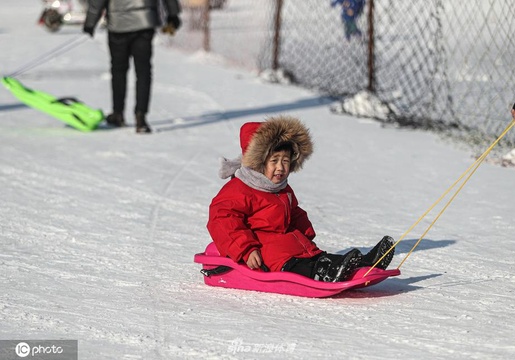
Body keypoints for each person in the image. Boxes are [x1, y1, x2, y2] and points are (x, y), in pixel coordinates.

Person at [206, 116, 395, 282]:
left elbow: (293, 211)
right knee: (296, 262)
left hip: (290, 243)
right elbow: (222, 220)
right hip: (264, 249)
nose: (280, 167)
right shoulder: (240, 188)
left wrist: (305, 232)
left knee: (315, 256)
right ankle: (325, 272)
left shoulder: (281, 188)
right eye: (274, 161)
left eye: (285, 161)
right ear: (258, 163)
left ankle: (363, 263)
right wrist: (246, 249)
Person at [83, 0, 182, 133]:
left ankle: (118, 113)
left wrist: (90, 23)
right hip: (145, 22)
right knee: (143, 71)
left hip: (118, 24)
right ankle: (141, 117)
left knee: (118, 70)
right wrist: (173, 14)